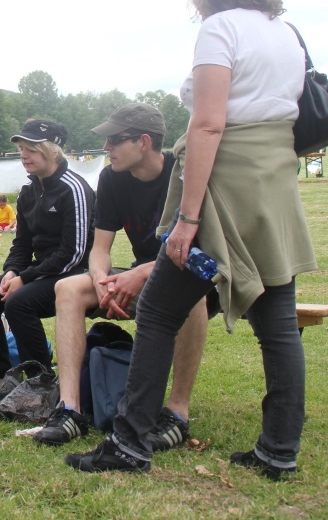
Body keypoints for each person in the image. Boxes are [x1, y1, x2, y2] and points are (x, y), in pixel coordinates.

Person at [67, 0, 317, 480]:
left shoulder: (221, 29)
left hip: (225, 181)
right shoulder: (286, 34)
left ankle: (129, 445)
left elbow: (207, 125)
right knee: (277, 322)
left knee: (157, 311)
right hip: (273, 182)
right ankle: (279, 450)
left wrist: (186, 217)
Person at [34, 104, 209, 449]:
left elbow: (197, 248)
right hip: (146, 274)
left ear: (144, 142)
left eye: (115, 140)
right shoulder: (112, 178)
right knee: (69, 288)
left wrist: (140, 275)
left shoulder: (185, 172)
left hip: (194, 272)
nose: (106, 148)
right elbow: (100, 247)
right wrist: (101, 279)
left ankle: (176, 413)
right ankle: (70, 410)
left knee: (192, 296)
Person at [0, 120, 96, 399]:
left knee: (19, 302)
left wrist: (26, 278)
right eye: (22, 149)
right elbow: (22, 243)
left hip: (76, 274)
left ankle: (41, 382)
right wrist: (13, 272)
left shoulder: (74, 188)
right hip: (40, 270)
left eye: (31, 149)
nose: (23, 155)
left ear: (52, 151)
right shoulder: (29, 191)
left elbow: (74, 252)